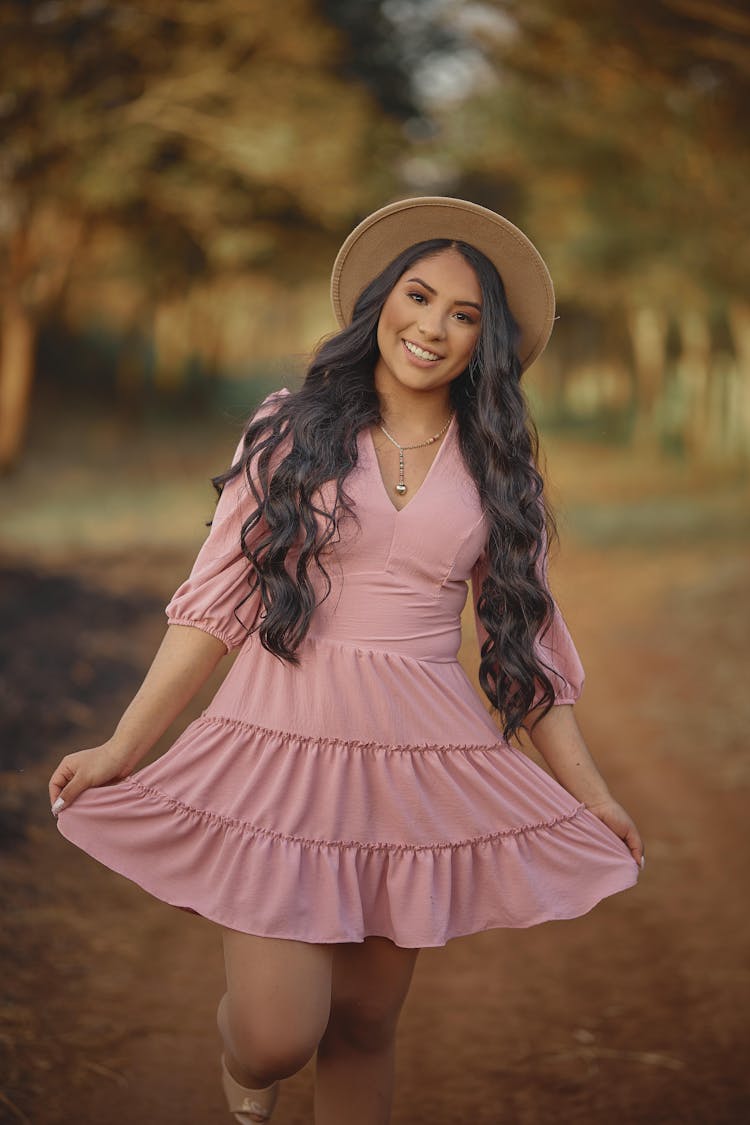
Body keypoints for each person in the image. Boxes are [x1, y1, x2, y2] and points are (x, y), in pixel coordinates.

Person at [49, 196, 644, 1125]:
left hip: (412, 760)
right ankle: (245, 1064)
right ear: (381, 302)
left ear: (484, 343)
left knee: (365, 1025)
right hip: (281, 743)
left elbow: (519, 641)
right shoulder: (292, 427)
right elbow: (214, 604)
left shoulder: (497, 461)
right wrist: (125, 747)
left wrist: (594, 793)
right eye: (418, 295)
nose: (432, 326)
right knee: (279, 1032)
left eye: (464, 315)